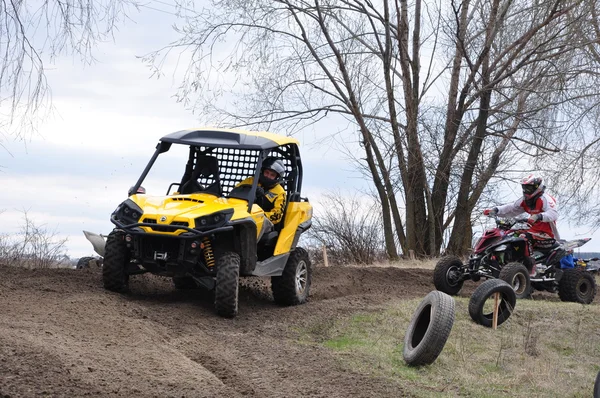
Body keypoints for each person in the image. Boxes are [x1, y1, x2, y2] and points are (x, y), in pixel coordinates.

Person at [483, 174, 559, 252]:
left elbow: (553, 214)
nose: (526, 190)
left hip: (546, 234)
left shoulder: (545, 199)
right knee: (508, 235)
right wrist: (496, 210)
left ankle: (529, 263)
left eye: (528, 188)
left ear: (537, 187)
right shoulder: (525, 201)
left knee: (522, 238)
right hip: (532, 231)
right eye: (524, 188)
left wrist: (538, 216)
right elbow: (512, 208)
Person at [235, 157, 286, 239]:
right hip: (243, 213)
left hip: (265, 220)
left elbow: (277, 216)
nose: (268, 176)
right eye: (267, 172)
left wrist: (259, 214)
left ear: (277, 177)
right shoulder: (251, 181)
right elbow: (235, 192)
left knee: (258, 222)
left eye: (272, 175)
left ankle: (249, 249)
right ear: (262, 171)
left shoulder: (280, 192)